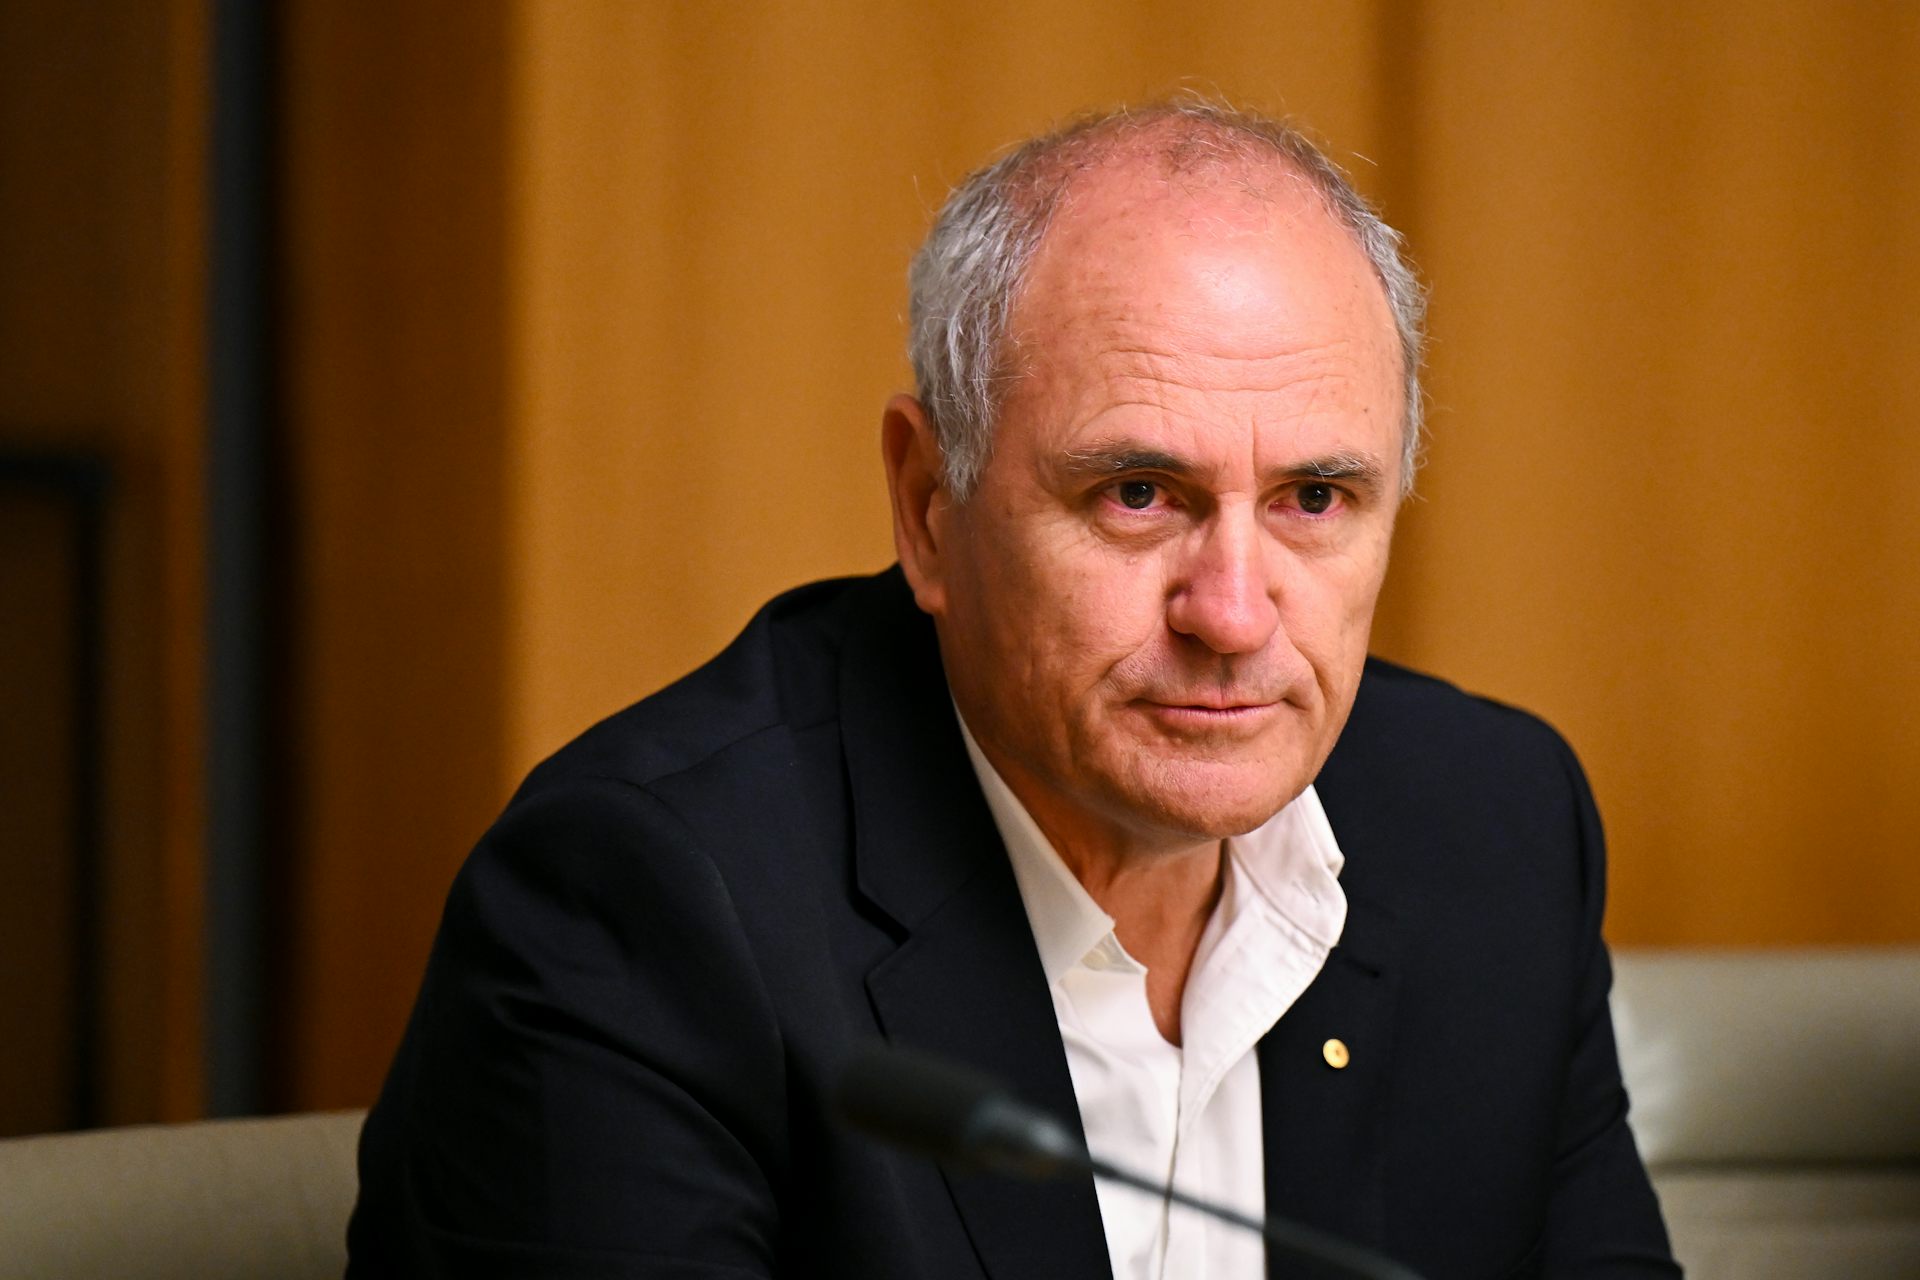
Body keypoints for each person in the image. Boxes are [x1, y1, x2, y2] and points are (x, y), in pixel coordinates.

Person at [347, 101, 1679, 1279]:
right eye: (1138, 494)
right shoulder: (644, 909)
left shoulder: (1495, 832)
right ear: (931, 507)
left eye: (1315, 499)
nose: (1231, 614)